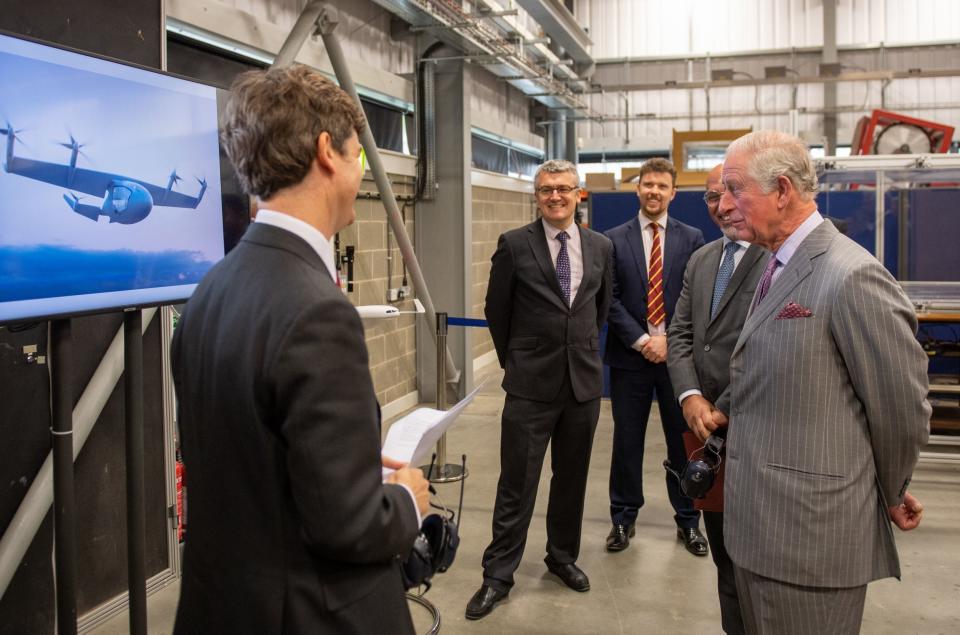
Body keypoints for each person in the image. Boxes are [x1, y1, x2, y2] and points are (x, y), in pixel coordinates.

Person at [170, 65, 429, 634]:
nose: (361, 170)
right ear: (326, 153)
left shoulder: (209, 291)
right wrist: (406, 500)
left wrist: (346, 469)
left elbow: (251, 467)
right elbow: (350, 527)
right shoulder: (318, 310)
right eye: (358, 152)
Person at [718, 130, 929, 634]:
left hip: (809, 540)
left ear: (783, 190)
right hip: (759, 529)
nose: (724, 204)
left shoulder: (850, 275)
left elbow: (901, 410)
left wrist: (891, 489)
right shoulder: (775, 265)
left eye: (734, 188)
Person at [466, 159, 613, 620]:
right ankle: (498, 575)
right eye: (547, 189)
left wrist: (578, 353)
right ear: (537, 195)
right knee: (517, 483)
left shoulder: (600, 246)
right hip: (530, 385)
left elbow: (600, 308)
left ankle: (562, 557)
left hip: (583, 386)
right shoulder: (514, 245)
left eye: (564, 189)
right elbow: (497, 310)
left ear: (578, 194)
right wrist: (519, 360)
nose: (555, 196)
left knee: (571, 480)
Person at [667, 164, 768, 634]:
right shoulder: (702, 259)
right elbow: (682, 333)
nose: (721, 206)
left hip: (753, 426)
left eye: (730, 193)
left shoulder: (775, 258)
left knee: (760, 568)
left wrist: (721, 404)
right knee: (725, 559)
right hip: (704, 434)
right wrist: (690, 397)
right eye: (711, 197)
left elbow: (765, 342)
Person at [603, 158, 708, 556]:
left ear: (673, 193)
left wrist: (668, 342)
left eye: (662, 186)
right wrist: (643, 340)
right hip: (631, 358)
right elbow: (609, 299)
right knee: (626, 443)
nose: (654, 192)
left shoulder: (692, 237)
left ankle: (688, 519)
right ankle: (623, 518)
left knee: (682, 444)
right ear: (638, 189)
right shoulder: (613, 239)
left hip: (677, 360)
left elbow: (693, 297)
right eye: (648, 184)